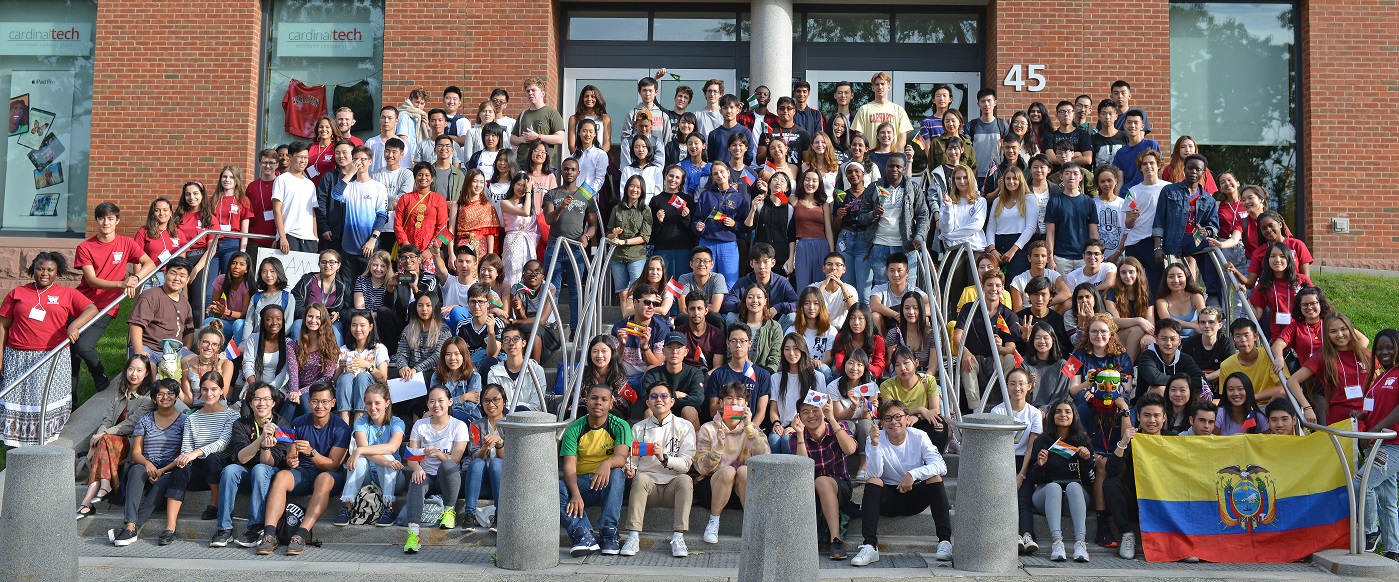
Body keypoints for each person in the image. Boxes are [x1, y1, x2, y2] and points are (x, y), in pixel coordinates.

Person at [0, 254, 96, 443]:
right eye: (40, 269)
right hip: (18, 356)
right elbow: (3, 325)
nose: (45, 273)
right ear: (33, 270)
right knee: (19, 399)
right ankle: (18, 444)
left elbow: (91, 309)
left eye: (50, 270)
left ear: (57, 272)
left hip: (52, 356)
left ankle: (44, 440)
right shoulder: (17, 293)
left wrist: (74, 325)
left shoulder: (66, 293)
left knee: (43, 399)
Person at [851, 399, 954, 566]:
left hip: (914, 497)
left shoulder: (919, 436)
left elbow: (940, 465)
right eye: (888, 418)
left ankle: (944, 542)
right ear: (882, 422)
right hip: (888, 498)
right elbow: (875, 473)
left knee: (935, 478)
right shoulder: (875, 438)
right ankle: (870, 545)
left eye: (898, 416)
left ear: (907, 419)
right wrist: (876, 445)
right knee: (873, 481)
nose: (894, 422)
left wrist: (912, 475)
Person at [256, 383, 351, 556]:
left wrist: (312, 452)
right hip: (304, 473)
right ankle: (269, 534)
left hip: (329, 477)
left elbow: (333, 464)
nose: (319, 406)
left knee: (324, 478)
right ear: (309, 401)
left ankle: (301, 534)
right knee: (282, 476)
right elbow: (291, 455)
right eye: (315, 401)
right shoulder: (299, 422)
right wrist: (291, 461)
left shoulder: (341, 428)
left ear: (333, 403)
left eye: (324, 401)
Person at [74, 202, 155, 392]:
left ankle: (99, 375)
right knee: (72, 353)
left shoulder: (126, 243)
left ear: (117, 221)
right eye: (102, 218)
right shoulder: (85, 247)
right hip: (81, 303)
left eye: (110, 218)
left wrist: (135, 278)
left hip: (106, 306)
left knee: (84, 347)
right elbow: (92, 280)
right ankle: (71, 400)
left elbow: (149, 263)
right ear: (96, 220)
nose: (106, 223)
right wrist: (122, 284)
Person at [621, 380, 698, 557]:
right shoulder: (639, 427)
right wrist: (629, 468)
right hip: (648, 489)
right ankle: (633, 536)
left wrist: (664, 458)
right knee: (640, 478)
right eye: (653, 396)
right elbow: (631, 458)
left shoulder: (685, 426)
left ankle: (678, 537)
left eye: (664, 396)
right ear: (647, 402)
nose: (659, 400)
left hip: (673, 486)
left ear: (672, 401)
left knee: (686, 480)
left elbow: (686, 464)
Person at [106, 380, 187, 546]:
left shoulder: (184, 421)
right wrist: (148, 465)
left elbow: (183, 453)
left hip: (170, 468)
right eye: (160, 394)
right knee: (136, 470)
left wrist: (162, 470)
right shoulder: (145, 420)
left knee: (166, 479)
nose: (165, 397)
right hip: (145, 466)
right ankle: (129, 523)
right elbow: (136, 453)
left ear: (177, 397)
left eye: (170, 393)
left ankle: (132, 528)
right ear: (154, 398)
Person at [210, 382, 291, 547]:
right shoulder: (241, 424)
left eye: (266, 399)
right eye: (257, 399)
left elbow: (271, 462)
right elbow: (242, 457)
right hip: (247, 472)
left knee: (261, 469)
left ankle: (256, 528)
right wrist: (261, 439)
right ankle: (224, 529)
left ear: (274, 402)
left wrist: (266, 448)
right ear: (250, 403)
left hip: (270, 475)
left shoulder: (283, 425)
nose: (262, 403)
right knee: (230, 470)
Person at [77, 356, 155, 519]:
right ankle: (90, 499)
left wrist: (103, 435)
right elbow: (106, 420)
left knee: (105, 439)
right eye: (131, 369)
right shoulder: (120, 394)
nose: (134, 374)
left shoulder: (147, 398)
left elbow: (131, 424)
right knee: (105, 441)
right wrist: (94, 444)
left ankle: (92, 498)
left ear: (146, 373)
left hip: (130, 442)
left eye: (139, 370)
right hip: (109, 443)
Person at [559, 384, 632, 556]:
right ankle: (583, 535)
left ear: (611, 404)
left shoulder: (620, 426)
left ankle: (609, 532)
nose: (598, 403)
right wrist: (576, 494)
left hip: (607, 484)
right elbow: (569, 466)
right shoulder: (574, 428)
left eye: (604, 399)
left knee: (617, 473)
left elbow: (621, 457)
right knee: (557, 489)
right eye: (594, 398)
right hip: (583, 483)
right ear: (587, 401)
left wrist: (607, 464)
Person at [694, 382, 770, 544]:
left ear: (746, 404)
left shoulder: (753, 428)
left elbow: (765, 458)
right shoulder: (708, 428)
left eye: (739, 399)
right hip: (712, 486)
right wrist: (717, 449)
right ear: (721, 403)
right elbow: (701, 468)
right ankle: (713, 523)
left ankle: (751, 525)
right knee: (728, 471)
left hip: (742, 489)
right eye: (729, 398)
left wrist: (749, 428)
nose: (734, 403)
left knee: (743, 471)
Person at [1022, 398, 1094, 562]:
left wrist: (1086, 460)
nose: (1063, 415)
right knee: (1054, 487)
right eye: (1058, 411)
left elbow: (1090, 481)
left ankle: (1080, 543)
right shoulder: (1042, 441)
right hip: (1046, 494)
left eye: (1067, 412)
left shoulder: (1083, 441)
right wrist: (1040, 465)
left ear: (1074, 416)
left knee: (1074, 487)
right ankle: (1057, 543)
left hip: (1074, 499)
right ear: (1052, 416)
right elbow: (1034, 478)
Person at [400, 387, 470, 553]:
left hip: (447, 478)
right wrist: (416, 468)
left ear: (450, 402)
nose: (436, 405)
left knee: (447, 464)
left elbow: (456, 460)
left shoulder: (458, 426)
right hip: (427, 476)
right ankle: (413, 534)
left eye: (440, 401)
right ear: (427, 404)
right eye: (432, 401)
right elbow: (412, 457)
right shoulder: (420, 425)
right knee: (416, 479)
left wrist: (438, 453)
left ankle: (449, 510)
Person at [168, 372, 238, 528]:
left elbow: (223, 443)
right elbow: (186, 449)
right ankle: (170, 525)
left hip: (221, 471)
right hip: (199, 472)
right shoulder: (192, 418)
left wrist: (196, 452)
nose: (209, 393)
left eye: (214, 389)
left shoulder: (232, 415)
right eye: (205, 389)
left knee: (211, 457)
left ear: (221, 391)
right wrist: (185, 457)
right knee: (180, 468)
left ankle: (214, 503)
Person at [791, 398, 858, 560]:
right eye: (805, 412)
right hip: (810, 492)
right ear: (799, 417)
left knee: (822, 481)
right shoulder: (795, 437)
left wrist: (833, 419)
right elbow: (802, 469)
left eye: (815, 410)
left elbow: (850, 450)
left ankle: (836, 540)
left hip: (839, 487)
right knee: (814, 483)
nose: (811, 415)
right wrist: (800, 434)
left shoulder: (839, 427)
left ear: (823, 412)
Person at [1103, 392, 1169, 559]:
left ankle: (1179, 542)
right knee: (1110, 484)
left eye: (1156, 416)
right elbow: (1111, 470)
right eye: (1146, 415)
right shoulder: (1134, 440)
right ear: (1138, 416)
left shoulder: (1174, 440)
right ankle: (1126, 534)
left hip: (1165, 500)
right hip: (1136, 501)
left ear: (1164, 418)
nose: (1152, 420)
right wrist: (1123, 442)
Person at [332, 383, 404, 528]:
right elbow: (364, 450)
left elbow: (392, 447)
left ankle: (388, 508)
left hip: (393, 476)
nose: (373, 407)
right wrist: (362, 452)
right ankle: (348, 507)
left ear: (387, 403)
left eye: (377, 403)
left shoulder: (397, 422)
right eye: (368, 403)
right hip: (368, 476)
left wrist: (360, 451)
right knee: (361, 461)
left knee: (387, 458)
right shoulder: (361, 422)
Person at [1357, 329, 1399, 558]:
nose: (1384, 352)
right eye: (1380, 348)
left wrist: (1374, 430)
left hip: (1392, 444)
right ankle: (1393, 550)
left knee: (1361, 483)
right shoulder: (1382, 375)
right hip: (1375, 443)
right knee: (1387, 499)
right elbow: (1375, 407)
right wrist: (1363, 416)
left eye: (1389, 347)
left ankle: (1370, 530)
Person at [952, 271, 1019, 413]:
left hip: (995, 360)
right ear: (982, 286)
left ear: (1002, 289)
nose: (993, 289)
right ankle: (976, 409)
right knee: (967, 361)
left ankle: (1006, 403)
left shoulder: (1009, 315)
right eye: (989, 285)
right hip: (974, 357)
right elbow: (957, 336)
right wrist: (965, 352)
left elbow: (1011, 348)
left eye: (997, 285)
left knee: (1008, 358)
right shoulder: (969, 308)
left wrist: (1000, 348)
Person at [1287, 313, 1371, 424]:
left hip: (1367, 416)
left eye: (1343, 329)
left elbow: (1376, 384)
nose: (1340, 335)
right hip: (1339, 420)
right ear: (1327, 334)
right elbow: (1292, 381)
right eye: (1333, 331)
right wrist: (1307, 408)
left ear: (1351, 330)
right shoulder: (1322, 357)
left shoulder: (1366, 354)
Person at [767, 332, 830, 453]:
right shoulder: (776, 378)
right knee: (774, 438)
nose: (791, 353)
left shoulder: (817, 377)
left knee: (787, 440)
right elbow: (774, 410)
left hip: (808, 426)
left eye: (796, 349)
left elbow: (820, 410)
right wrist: (776, 424)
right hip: (784, 426)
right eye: (787, 349)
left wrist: (797, 426)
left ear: (803, 350)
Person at [127, 257, 195, 363]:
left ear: (187, 280)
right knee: (146, 366)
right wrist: (139, 351)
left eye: (182, 276)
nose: (177, 278)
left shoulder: (185, 304)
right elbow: (136, 324)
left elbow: (189, 331)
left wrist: (187, 347)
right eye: (173, 273)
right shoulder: (150, 296)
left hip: (174, 351)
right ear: (165, 274)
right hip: (149, 348)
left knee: (196, 362)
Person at [879, 346, 947, 451]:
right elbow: (891, 413)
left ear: (916, 363)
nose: (902, 368)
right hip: (900, 422)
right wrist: (919, 409)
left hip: (922, 420)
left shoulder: (928, 381)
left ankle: (934, 461)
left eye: (906, 363)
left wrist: (918, 416)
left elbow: (935, 410)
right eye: (897, 365)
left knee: (939, 424)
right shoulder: (887, 386)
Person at [692, 163, 750, 286]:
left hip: (728, 245)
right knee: (705, 281)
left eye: (722, 172)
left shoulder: (739, 198)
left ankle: (729, 305)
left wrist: (734, 224)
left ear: (728, 172)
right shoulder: (705, 195)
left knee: (730, 283)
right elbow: (696, 219)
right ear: (712, 177)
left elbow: (745, 226)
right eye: (715, 173)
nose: (719, 175)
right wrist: (698, 226)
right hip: (707, 243)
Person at [461, 383, 507, 531]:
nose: (491, 404)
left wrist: (499, 442)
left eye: (496, 400)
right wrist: (484, 448)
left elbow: (510, 459)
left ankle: (500, 514)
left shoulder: (511, 425)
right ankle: (469, 514)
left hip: (503, 482)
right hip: (480, 482)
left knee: (496, 464)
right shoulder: (476, 425)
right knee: (477, 462)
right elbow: (474, 454)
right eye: (486, 400)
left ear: (504, 401)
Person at [704, 323, 773, 417]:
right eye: (733, 341)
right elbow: (713, 411)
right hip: (723, 427)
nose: (738, 345)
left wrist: (748, 429)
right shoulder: (718, 374)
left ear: (750, 343)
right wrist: (736, 411)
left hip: (751, 428)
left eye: (742, 341)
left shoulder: (763, 375)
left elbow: (760, 413)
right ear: (728, 343)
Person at [642, 333, 709, 430]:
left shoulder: (695, 372)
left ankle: (695, 444)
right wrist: (675, 395)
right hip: (660, 411)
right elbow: (646, 398)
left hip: (681, 411)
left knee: (689, 410)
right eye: (670, 347)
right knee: (649, 412)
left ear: (686, 352)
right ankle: (652, 444)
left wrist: (663, 398)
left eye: (679, 348)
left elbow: (698, 399)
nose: (674, 352)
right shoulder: (653, 373)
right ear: (663, 351)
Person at [721, 242, 797, 327]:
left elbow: (797, 303)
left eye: (765, 262)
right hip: (747, 327)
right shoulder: (742, 283)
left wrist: (778, 308)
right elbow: (726, 304)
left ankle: (783, 340)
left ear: (773, 263)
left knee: (792, 317)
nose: (761, 266)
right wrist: (747, 305)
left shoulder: (782, 282)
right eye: (757, 262)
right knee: (731, 316)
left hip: (776, 326)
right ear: (751, 264)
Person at [1044, 163, 1099, 276]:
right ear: (1061, 177)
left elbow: (1093, 232)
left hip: (1084, 256)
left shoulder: (1089, 202)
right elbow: (1050, 233)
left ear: (1081, 177)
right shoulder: (1054, 202)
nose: (1071, 177)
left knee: (1084, 291)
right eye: (1067, 173)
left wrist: (1096, 255)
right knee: (1063, 292)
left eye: (1075, 173)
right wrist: (1050, 259)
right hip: (1061, 257)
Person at [984, 168, 1038, 283]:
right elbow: (991, 226)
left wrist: (1013, 250)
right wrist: (992, 249)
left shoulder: (1029, 198)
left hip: (1019, 246)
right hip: (997, 245)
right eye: (1008, 178)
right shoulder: (998, 201)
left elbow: (1031, 227)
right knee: (996, 284)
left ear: (1021, 180)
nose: (1011, 182)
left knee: (1015, 284)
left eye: (1015, 178)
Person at [997, 367, 1044, 491]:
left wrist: (1021, 475)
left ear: (1029, 386)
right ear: (1007, 387)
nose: (1017, 388)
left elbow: (1031, 446)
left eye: (1021, 384)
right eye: (1012, 384)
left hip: (1025, 462)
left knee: (1023, 502)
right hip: (1002, 462)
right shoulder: (997, 411)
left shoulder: (1035, 413)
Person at [289, 250, 350, 341]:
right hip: (308, 319)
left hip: (331, 322)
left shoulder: (344, 284)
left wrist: (338, 314)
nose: (327, 265)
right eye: (323, 262)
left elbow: (349, 307)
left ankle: (334, 355)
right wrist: (309, 316)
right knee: (297, 325)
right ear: (319, 264)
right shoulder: (307, 280)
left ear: (339, 265)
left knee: (337, 332)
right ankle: (296, 354)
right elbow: (296, 302)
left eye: (332, 262)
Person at [486, 325, 548, 412]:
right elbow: (495, 404)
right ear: (502, 346)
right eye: (507, 340)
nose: (511, 343)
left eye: (515, 339)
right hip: (504, 420)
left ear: (523, 343)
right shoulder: (494, 372)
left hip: (530, 419)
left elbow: (537, 405)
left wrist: (515, 408)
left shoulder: (537, 370)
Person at [1220, 319, 1283, 403]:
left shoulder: (1270, 356)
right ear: (1233, 339)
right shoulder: (1226, 365)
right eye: (1238, 336)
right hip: (1242, 407)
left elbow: (1282, 388)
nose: (1243, 340)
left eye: (1246, 335)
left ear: (1255, 336)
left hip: (1270, 405)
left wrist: (1252, 398)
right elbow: (1226, 395)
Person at [272, 143, 319, 253]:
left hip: (309, 239)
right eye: (300, 157)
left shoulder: (310, 184)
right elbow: (276, 210)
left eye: (306, 157)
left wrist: (315, 237)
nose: (303, 161)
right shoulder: (282, 180)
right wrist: (282, 237)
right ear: (290, 157)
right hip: (289, 235)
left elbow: (312, 213)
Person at [509, 77, 566, 169]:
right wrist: (521, 139)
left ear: (542, 94)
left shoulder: (552, 113)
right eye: (528, 91)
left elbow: (559, 138)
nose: (530, 93)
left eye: (533, 90)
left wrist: (538, 137)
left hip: (545, 165)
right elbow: (512, 139)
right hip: (523, 163)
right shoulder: (523, 114)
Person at [1136, 319, 1203, 396]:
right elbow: (1154, 378)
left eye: (1173, 339)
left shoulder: (1185, 358)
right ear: (1156, 340)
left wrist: (1180, 385)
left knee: (1198, 393)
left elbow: (1201, 380)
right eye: (1164, 339)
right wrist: (1184, 382)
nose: (1168, 343)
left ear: (1179, 341)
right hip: (1147, 404)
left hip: (1178, 403)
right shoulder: (1147, 357)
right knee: (1161, 389)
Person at [851, 72, 912, 152]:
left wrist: (892, 155)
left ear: (889, 87)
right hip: (870, 158)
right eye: (877, 84)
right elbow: (859, 137)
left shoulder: (898, 110)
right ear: (873, 88)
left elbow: (902, 140)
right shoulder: (864, 109)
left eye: (883, 84)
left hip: (892, 160)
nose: (880, 87)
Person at [729, 284, 784, 373]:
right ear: (745, 300)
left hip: (765, 375)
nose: (755, 300)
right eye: (750, 297)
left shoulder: (775, 327)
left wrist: (762, 376)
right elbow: (730, 356)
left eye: (759, 297)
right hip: (738, 375)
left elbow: (775, 360)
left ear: (765, 301)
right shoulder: (736, 327)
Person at [179, 324, 236, 408]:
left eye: (214, 344)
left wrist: (218, 367)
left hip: (217, 408)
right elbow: (189, 401)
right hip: (195, 410)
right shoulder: (186, 363)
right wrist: (175, 383)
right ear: (198, 343)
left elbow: (223, 394)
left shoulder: (226, 364)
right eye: (206, 342)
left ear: (218, 348)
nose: (209, 347)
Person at [204, 252, 253, 344]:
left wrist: (227, 312)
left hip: (241, 324)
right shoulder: (221, 279)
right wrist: (214, 308)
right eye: (233, 263)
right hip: (226, 322)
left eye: (241, 264)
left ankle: (238, 356)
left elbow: (245, 314)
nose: (236, 267)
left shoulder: (247, 285)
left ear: (247, 269)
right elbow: (214, 304)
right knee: (207, 322)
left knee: (238, 324)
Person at [830, 303, 887, 380]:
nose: (856, 323)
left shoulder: (877, 340)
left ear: (867, 320)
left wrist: (860, 369)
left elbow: (879, 368)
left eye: (861, 318)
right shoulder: (841, 337)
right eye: (852, 318)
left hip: (868, 378)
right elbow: (840, 364)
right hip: (845, 376)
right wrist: (858, 368)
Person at [1183, 306, 1235, 385]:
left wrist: (1207, 377)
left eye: (1211, 322)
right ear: (1199, 325)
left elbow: (1230, 367)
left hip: (1222, 385)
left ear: (1220, 325)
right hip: (1195, 385)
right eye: (1203, 322)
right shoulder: (1189, 343)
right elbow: (1185, 368)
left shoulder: (1226, 342)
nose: (1207, 326)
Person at [1110, 109, 1160, 190]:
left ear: (1142, 126)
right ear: (1124, 126)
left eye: (1136, 123)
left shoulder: (1151, 145)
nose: (1132, 126)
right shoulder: (1121, 153)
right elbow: (1119, 181)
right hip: (1127, 195)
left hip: (1148, 190)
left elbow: (1158, 170)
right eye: (1129, 122)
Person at [435, 338, 482, 424]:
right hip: (441, 418)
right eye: (448, 354)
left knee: (456, 417)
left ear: (464, 355)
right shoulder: (436, 376)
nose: (452, 358)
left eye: (457, 354)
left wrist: (445, 408)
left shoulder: (474, 377)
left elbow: (469, 407)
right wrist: (462, 398)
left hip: (469, 420)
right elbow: (435, 403)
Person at [1025, 321, 1071, 407]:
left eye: (1046, 338)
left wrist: (1045, 410)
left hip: (1054, 412)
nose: (1042, 341)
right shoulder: (1024, 363)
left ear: (1053, 340)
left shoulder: (1063, 365)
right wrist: (1029, 388)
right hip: (1029, 411)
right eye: (1037, 338)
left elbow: (1061, 396)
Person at [811, 252, 859, 331]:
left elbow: (854, 311)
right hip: (818, 330)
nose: (833, 268)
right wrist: (824, 284)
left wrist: (842, 286)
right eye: (829, 264)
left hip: (841, 331)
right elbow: (811, 305)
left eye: (838, 264)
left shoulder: (850, 289)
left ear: (844, 269)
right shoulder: (813, 287)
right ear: (823, 268)